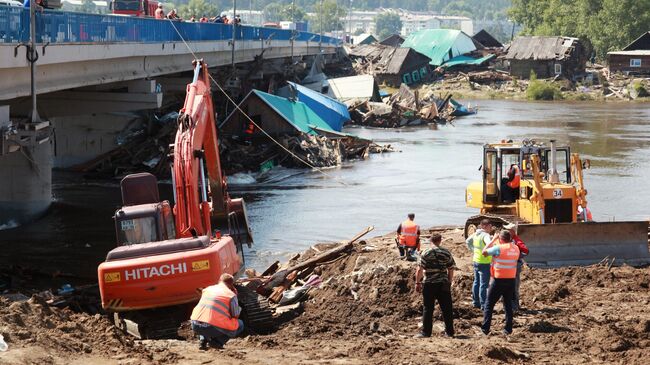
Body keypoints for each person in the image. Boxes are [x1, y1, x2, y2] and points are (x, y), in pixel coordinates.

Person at [414, 233, 456, 338]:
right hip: (443, 284)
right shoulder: (446, 252)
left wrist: (417, 282)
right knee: (447, 309)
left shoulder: (426, 252)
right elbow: (451, 268)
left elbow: (420, 269)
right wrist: (449, 281)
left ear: (430, 240)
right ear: (440, 240)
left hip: (429, 283)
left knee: (428, 308)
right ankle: (449, 332)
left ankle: (426, 332)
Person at [481, 230, 520, 335]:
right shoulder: (516, 248)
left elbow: (484, 252)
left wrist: (493, 240)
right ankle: (508, 329)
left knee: (489, 304)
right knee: (508, 305)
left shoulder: (499, 248)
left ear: (500, 239)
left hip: (498, 280)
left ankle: (485, 329)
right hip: (511, 280)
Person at [190, 273, 244, 350]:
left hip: (195, 325)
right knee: (240, 324)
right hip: (211, 328)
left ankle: (203, 340)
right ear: (232, 285)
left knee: (206, 317)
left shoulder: (207, 289)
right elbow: (235, 315)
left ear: (219, 281)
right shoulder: (231, 295)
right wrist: (235, 298)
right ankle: (217, 342)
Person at [487, 223, 529, 311]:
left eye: (507, 229)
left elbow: (525, 250)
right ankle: (508, 306)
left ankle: (514, 306)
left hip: (514, 267)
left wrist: (516, 257)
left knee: (514, 287)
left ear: (512, 231)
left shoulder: (516, 240)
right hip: (506, 268)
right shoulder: (507, 240)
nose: (505, 230)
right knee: (508, 288)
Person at [465, 219, 492, 309]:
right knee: (484, 284)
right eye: (489, 226)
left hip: (476, 260)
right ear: (484, 226)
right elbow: (489, 244)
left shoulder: (476, 234)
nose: (491, 228)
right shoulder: (486, 235)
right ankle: (484, 304)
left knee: (476, 282)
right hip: (485, 262)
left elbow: (468, 241)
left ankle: (476, 302)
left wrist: (473, 250)